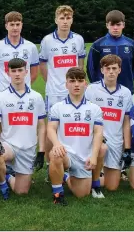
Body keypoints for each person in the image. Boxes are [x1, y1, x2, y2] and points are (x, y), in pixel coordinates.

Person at [0, 58, 46, 200]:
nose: (17, 74)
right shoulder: (0, 97)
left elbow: (42, 126)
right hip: (8, 145)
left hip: (28, 148)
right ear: (8, 73)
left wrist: (41, 152)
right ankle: (2, 184)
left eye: (20, 70)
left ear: (26, 72)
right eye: (13, 71)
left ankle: (7, 175)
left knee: (21, 192)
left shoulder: (36, 97)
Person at [47, 67, 104, 205]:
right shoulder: (57, 107)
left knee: (82, 194)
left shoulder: (94, 109)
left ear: (86, 84)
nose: (76, 84)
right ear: (66, 84)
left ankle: (65, 176)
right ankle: (58, 194)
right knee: (55, 154)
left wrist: (94, 156)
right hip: (66, 154)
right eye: (72, 81)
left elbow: (98, 133)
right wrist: (57, 144)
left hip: (84, 157)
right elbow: (51, 128)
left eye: (80, 81)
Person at [85, 55, 133, 195]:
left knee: (112, 187)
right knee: (101, 149)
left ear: (119, 70)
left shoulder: (126, 93)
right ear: (102, 70)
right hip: (96, 141)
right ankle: (87, 178)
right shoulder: (92, 90)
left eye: (114, 68)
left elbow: (126, 122)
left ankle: (96, 175)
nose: (111, 71)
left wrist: (127, 148)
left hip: (116, 142)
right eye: (108, 68)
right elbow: (85, 116)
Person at [39, 5, 86, 113]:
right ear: (56, 20)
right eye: (62, 18)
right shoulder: (47, 40)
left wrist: (76, 82)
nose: (65, 22)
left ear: (72, 20)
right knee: (53, 124)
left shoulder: (78, 39)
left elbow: (80, 65)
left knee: (73, 122)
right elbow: (42, 65)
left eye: (68, 18)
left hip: (73, 90)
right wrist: (50, 82)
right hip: (53, 92)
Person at [86, 10, 134, 99]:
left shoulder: (132, 45)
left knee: (126, 113)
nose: (115, 28)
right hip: (103, 92)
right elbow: (91, 69)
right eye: (112, 24)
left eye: (118, 24)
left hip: (127, 90)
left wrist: (126, 80)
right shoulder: (98, 45)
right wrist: (99, 86)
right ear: (107, 25)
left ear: (123, 25)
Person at [0, 11, 40, 94]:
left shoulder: (31, 47)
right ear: (6, 26)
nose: (15, 28)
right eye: (12, 24)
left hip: (24, 94)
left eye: (18, 24)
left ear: (21, 25)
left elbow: (34, 73)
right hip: (3, 95)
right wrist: (2, 90)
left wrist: (23, 87)